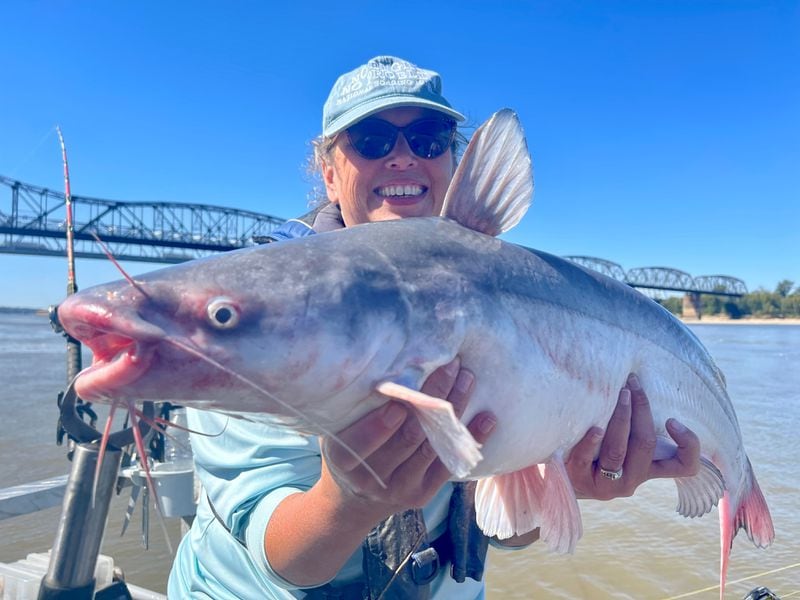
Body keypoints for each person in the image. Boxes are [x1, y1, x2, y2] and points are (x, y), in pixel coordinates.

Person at [168, 56, 701, 599]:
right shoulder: (266, 308)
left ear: (453, 160)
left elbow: (509, 530)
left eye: (427, 138)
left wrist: (576, 482)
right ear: (329, 174)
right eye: (372, 140)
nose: (402, 157)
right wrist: (350, 499)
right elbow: (280, 556)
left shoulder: (505, 296)